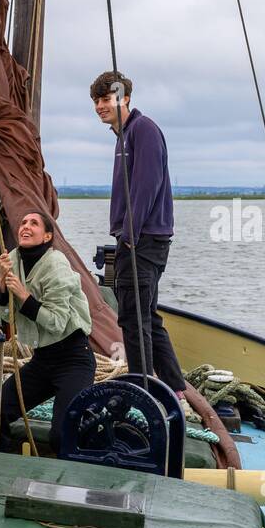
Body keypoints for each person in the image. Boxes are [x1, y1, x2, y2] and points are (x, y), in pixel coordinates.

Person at [90, 70, 185, 396]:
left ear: (125, 98)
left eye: (107, 99)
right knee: (147, 318)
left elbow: (147, 185)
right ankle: (175, 388)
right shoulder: (123, 136)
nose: (101, 106)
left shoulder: (142, 130)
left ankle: (143, 393)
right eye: (97, 101)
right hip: (140, 239)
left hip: (142, 241)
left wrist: (129, 236)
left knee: (133, 320)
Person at [0, 209, 95, 453]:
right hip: (42, 360)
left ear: (47, 236)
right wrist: (1, 285)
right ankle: (0, 473)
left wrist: (25, 298)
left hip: (74, 359)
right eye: (23, 222)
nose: (25, 226)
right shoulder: (10, 260)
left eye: (34, 223)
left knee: (61, 434)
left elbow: (57, 322)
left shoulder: (56, 266)